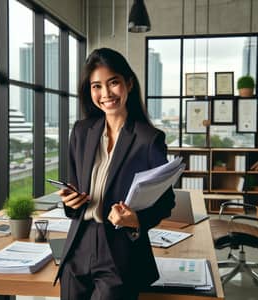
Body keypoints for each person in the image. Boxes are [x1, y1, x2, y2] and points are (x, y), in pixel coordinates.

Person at [55, 47, 175, 300]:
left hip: (119, 251)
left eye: (113, 83)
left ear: (128, 84)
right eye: (96, 86)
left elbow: (166, 201)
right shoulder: (81, 131)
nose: (106, 94)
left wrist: (135, 220)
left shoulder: (148, 139)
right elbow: (73, 189)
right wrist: (70, 201)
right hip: (77, 245)